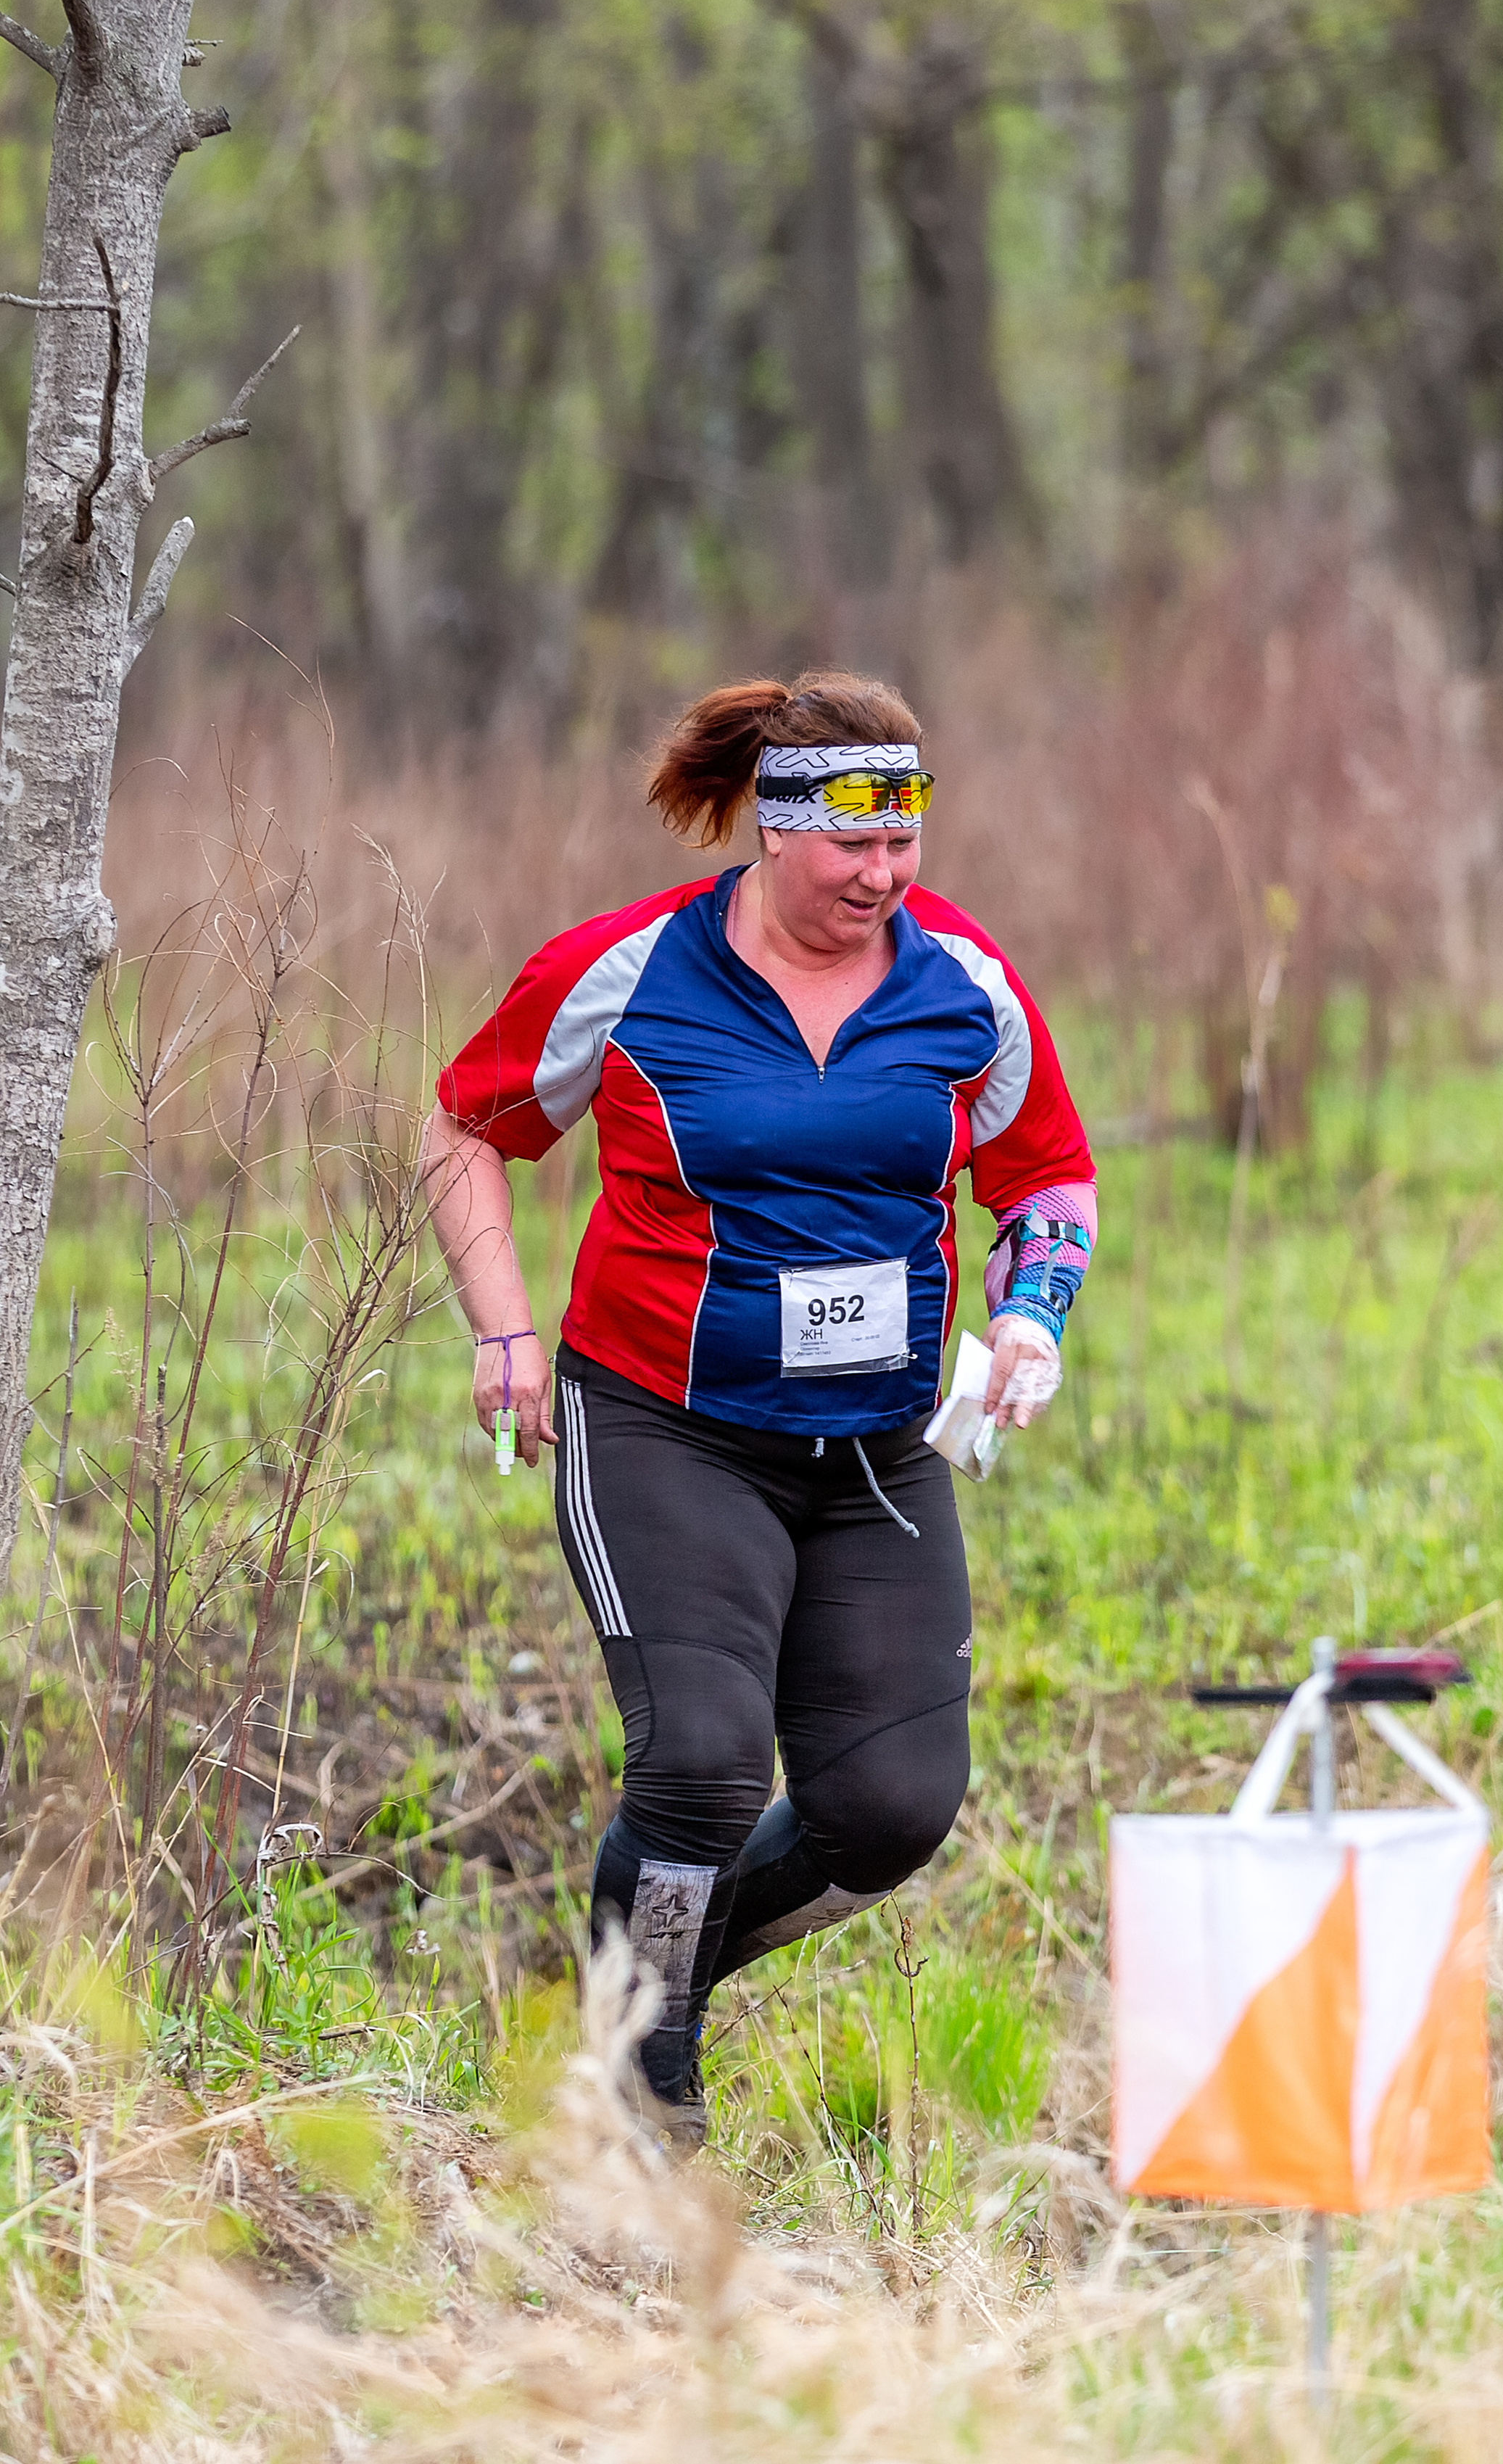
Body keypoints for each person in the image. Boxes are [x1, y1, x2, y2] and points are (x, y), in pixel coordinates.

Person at [421, 672, 1096, 2135]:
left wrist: (1032, 1311)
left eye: (904, 843)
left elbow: (1043, 1171)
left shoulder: (959, 981)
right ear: (774, 831)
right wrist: (504, 1333)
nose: (883, 876)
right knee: (704, 1759)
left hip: (874, 1448)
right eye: (852, 848)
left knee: (893, 1804)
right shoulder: (631, 971)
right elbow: (466, 1128)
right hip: (665, 1424)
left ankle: (642, 1975)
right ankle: (636, 2096)